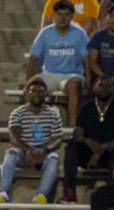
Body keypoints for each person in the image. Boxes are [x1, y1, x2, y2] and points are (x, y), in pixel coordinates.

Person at [0, 76, 62, 205]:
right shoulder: (17, 113)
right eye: (33, 90)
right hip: (23, 153)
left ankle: (41, 195)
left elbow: (57, 138)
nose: (37, 94)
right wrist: (28, 151)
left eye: (41, 91)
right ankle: (3, 192)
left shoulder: (53, 114)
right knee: (11, 153)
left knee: (54, 157)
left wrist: (44, 150)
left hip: (43, 153)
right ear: (26, 93)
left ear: (46, 94)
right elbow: (14, 138)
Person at [61, 77, 114, 205]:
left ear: (113, 89)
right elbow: (77, 134)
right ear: (94, 88)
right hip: (88, 153)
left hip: (108, 153)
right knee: (71, 147)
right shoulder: (86, 107)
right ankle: (69, 192)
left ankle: (111, 193)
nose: (104, 88)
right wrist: (87, 141)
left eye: (108, 85)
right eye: (101, 85)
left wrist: (102, 149)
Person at [27, 0, 88, 128]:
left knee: (74, 86)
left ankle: (72, 127)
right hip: (49, 74)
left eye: (66, 15)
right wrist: (29, 81)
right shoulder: (45, 33)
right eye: (59, 14)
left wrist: (89, 80)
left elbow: (87, 60)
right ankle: (32, 125)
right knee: (34, 87)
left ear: (71, 17)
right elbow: (33, 59)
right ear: (54, 16)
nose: (62, 18)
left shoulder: (79, 33)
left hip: (72, 75)